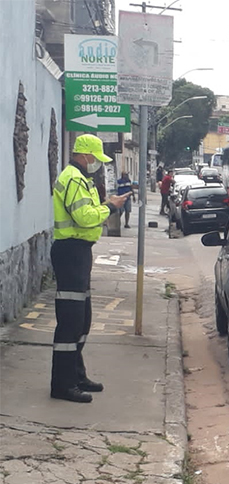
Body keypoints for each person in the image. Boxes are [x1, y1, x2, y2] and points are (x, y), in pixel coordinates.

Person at [51, 134, 130, 403]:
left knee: (82, 320)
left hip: (80, 252)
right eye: (96, 158)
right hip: (70, 252)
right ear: (85, 156)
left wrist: (107, 204)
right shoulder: (73, 178)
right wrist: (110, 206)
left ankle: (76, 374)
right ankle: (62, 385)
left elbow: (89, 211)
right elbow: (84, 217)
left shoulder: (81, 179)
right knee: (70, 322)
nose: (97, 163)